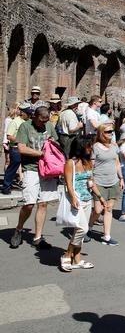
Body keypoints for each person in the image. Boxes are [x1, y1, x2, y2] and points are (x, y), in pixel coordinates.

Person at [10, 106, 59, 250]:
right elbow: (22, 148)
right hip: (31, 168)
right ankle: (19, 229)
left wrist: (53, 145)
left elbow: (55, 142)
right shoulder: (25, 127)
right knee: (29, 204)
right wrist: (41, 154)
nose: (44, 124)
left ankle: (37, 237)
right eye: (41, 121)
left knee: (43, 203)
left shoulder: (49, 125)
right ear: (35, 117)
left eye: (46, 121)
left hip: (48, 169)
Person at [60, 136, 102, 272]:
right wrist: (73, 198)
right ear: (81, 147)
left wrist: (100, 197)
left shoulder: (88, 162)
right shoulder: (70, 163)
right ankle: (67, 254)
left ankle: (76, 258)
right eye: (88, 146)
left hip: (87, 199)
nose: (91, 149)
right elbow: (68, 183)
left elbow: (91, 182)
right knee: (82, 229)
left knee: (81, 231)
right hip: (76, 199)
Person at [87, 122, 124, 245]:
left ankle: (106, 236)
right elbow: (91, 166)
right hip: (99, 182)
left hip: (113, 181)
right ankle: (89, 226)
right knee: (98, 210)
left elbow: (117, 163)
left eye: (112, 131)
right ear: (101, 133)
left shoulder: (114, 146)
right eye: (108, 131)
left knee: (108, 209)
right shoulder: (95, 147)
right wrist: (91, 181)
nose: (111, 133)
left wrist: (121, 178)